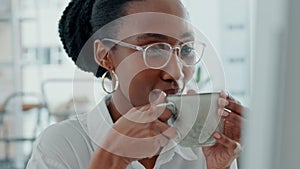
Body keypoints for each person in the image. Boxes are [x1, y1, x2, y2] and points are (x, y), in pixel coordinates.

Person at [26, 0, 246, 169]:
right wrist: (111, 158)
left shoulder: (203, 150)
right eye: (155, 49)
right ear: (105, 56)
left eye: (186, 49)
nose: (176, 73)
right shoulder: (62, 146)